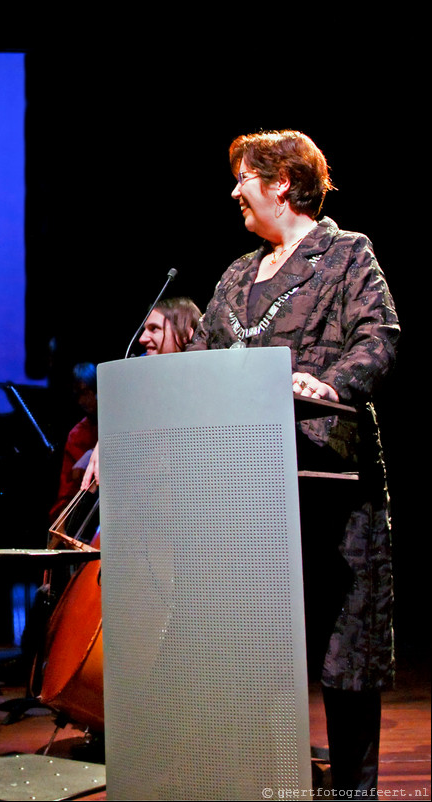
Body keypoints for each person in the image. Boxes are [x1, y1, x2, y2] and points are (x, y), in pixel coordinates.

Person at [187, 130, 399, 794]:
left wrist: (332, 386)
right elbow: (199, 362)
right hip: (248, 488)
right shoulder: (236, 275)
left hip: (330, 482)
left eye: (246, 175)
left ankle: (353, 791)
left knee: (346, 657)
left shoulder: (346, 254)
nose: (235, 189)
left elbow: (379, 335)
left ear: (282, 182)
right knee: (248, 655)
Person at [47, 363, 98, 522]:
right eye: (77, 396)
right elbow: (67, 490)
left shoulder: (120, 423)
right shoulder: (77, 434)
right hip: (85, 516)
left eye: (86, 392)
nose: (81, 401)